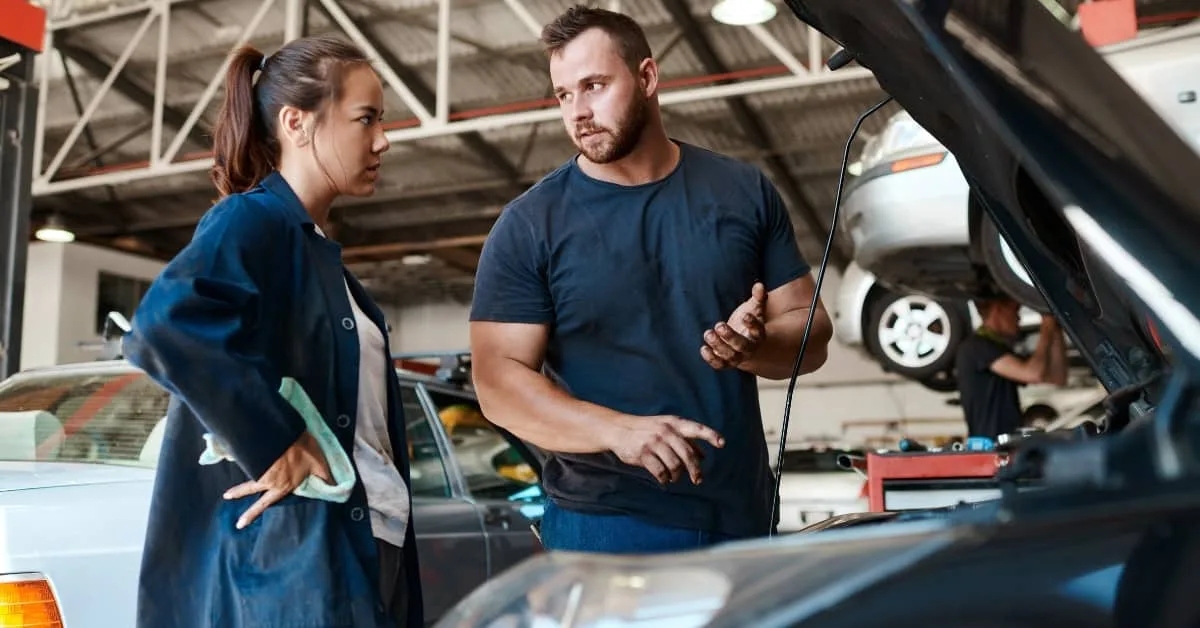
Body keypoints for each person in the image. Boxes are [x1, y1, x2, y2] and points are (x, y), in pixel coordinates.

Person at [468, 5, 834, 554]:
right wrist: (618, 432)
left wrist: (754, 346)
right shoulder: (529, 225)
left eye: (594, 86)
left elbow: (812, 332)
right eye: (565, 94)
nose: (579, 112)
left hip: (742, 516)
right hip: (606, 519)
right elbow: (497, 382)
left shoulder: (741, 192)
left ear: (647, 77)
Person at [122, 34, 422, 628]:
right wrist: (277, 441)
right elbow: (167, 323)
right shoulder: (251, 220)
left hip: (359, 541)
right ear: (296, 122)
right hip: (300, 569)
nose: (383, 140)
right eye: (366, 119)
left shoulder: (318, 256)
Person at [955, 296, 1069, 440]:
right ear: (997, 309)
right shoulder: (976, 347)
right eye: (1015, 311)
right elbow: (1033, 374)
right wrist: (1046, 327)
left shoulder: (1000, 351)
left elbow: (1057, 377)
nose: (1019, 318)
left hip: (1006, 444)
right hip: (991, 447)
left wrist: (1055, 329)